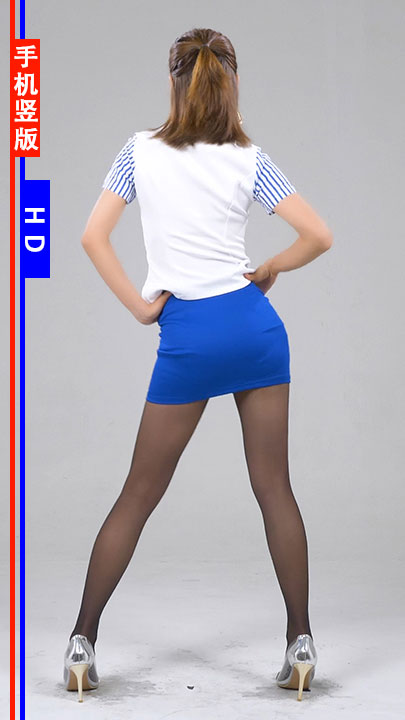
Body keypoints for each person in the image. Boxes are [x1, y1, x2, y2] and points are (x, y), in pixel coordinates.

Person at [63, 27, 333, 703]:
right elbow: (318, 235)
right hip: (254, 330)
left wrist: (140, 307)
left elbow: (92, 236)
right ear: (232, 83)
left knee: (138, 494)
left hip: (187, 333)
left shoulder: (137, 152)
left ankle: (81, 643)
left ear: (173, 82)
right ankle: (300, 643)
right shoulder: (250, 159)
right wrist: (269, 267)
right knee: (275, 489)